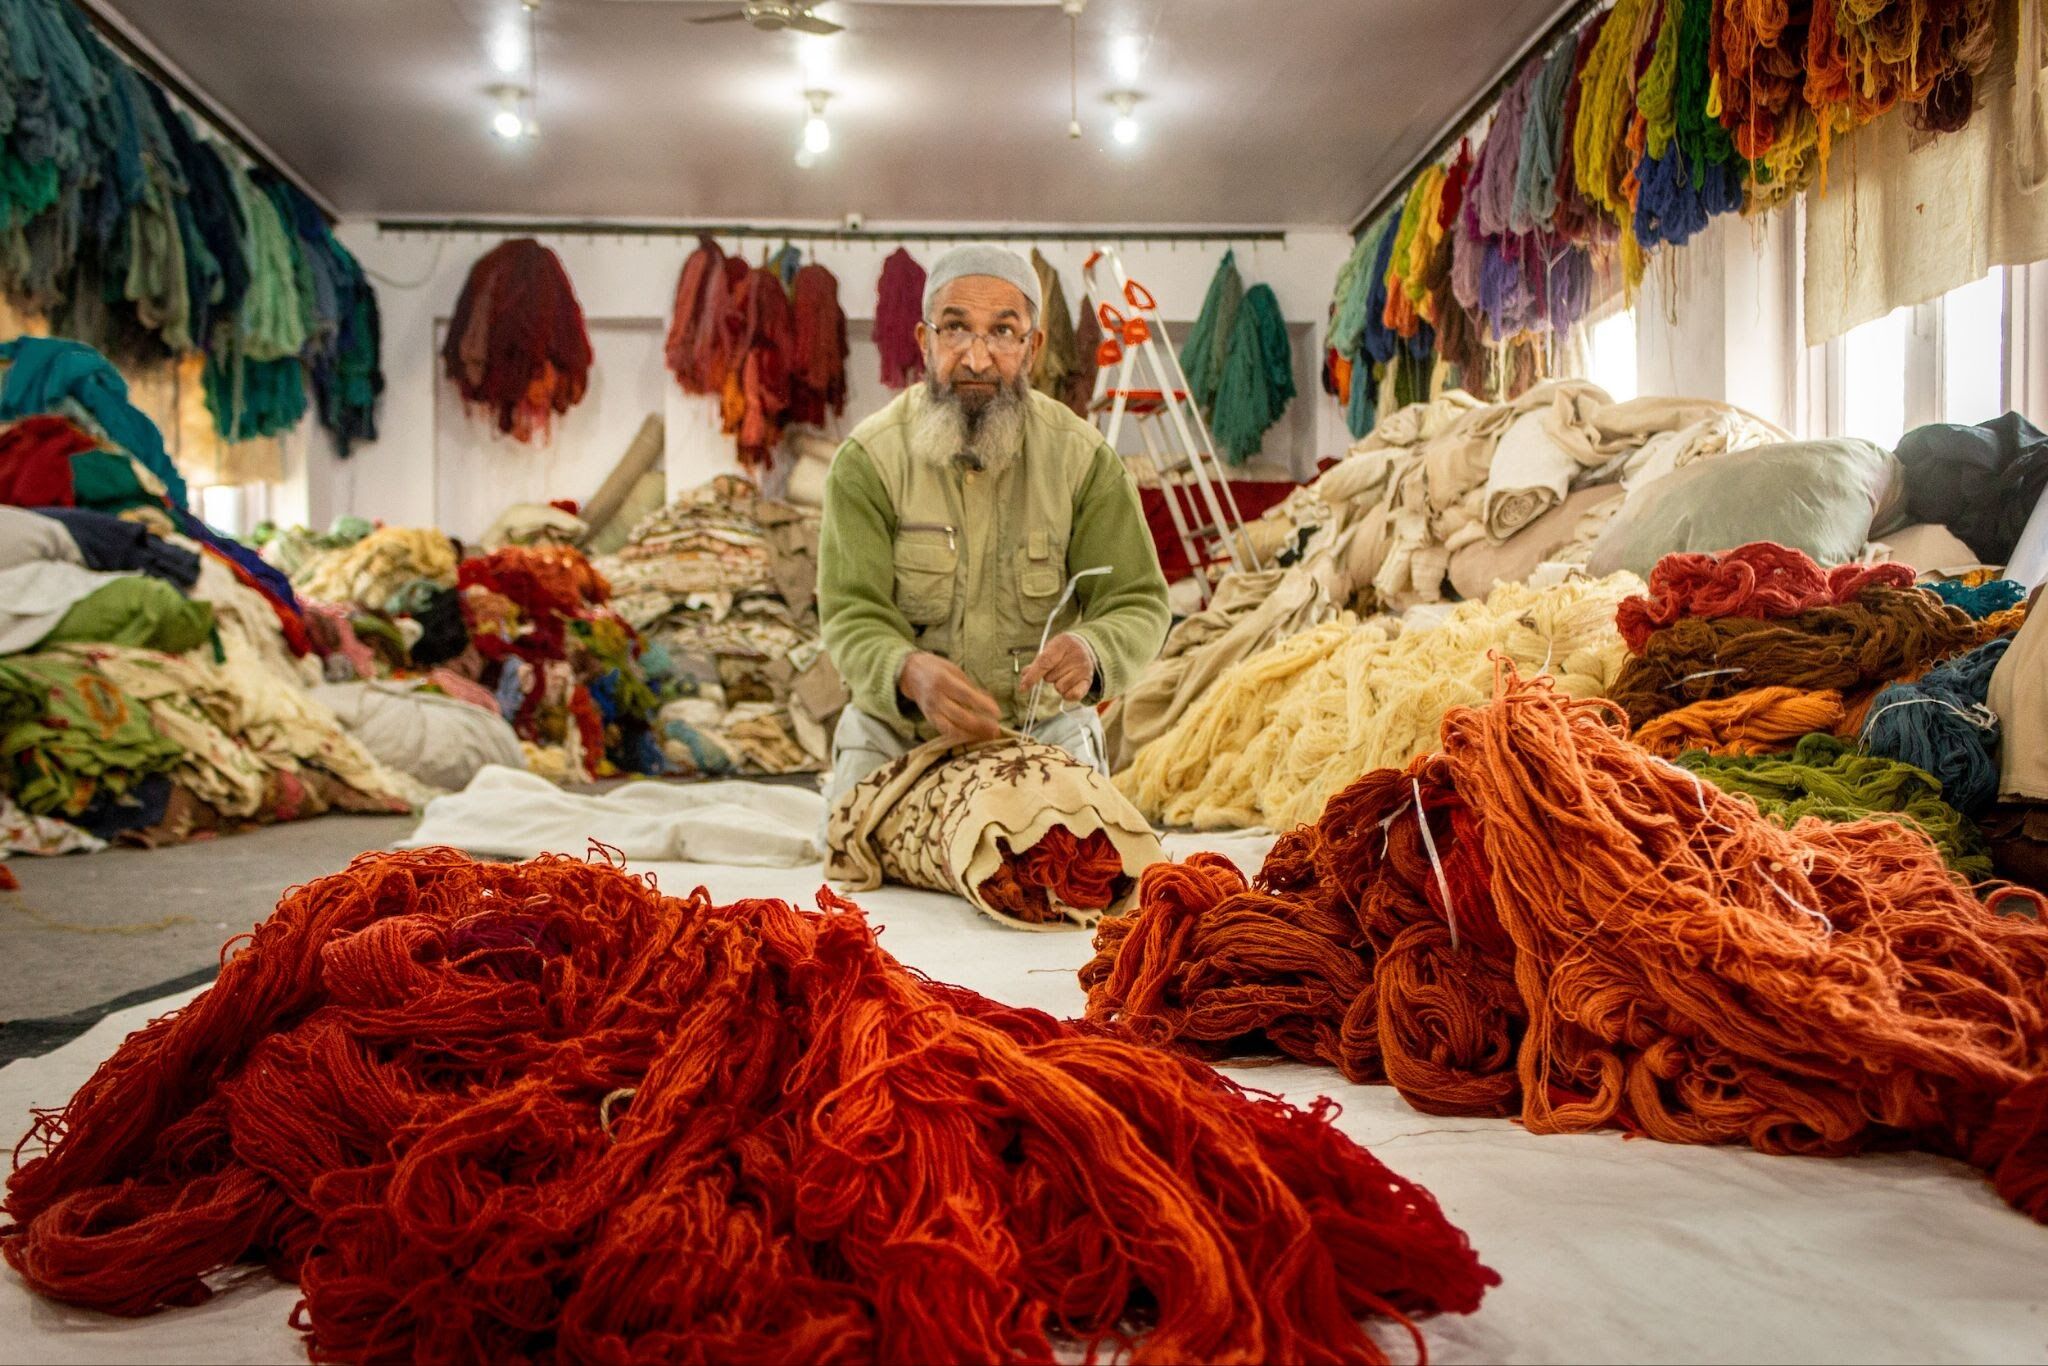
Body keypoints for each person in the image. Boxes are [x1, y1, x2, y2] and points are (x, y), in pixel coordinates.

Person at [816, 244, 1170, 810]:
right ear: (924, 341)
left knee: (1081, 874)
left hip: (1040, 732)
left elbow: (1139, 601)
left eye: (1003, 332)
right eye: (955, 329)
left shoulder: (1083, 460)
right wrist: (905, 670)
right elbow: (849, 613)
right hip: (901, 736)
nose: (977, 359)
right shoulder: (868, 460)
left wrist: (1093, 648)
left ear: (1034, 347)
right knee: (851, 872)